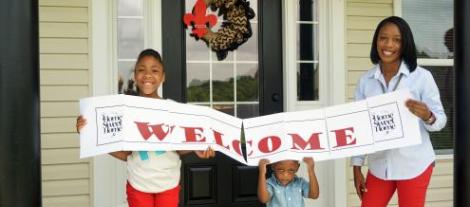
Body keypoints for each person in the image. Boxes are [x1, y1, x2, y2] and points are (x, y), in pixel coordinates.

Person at [76, 49, 215, 207]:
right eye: (141, 70)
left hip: (168, 184)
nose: (148, 75)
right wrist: (90, 134)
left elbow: (178, 147)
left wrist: (196, 147)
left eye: (154, 70)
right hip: (138, 185)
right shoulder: (126, 111)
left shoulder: (173, 110)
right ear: (135, 76)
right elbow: (126, 154)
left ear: (163, 77)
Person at [351, 16, 447, 207]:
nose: (388, 44)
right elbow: (359, 126)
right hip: (379, 166)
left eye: (397, 40)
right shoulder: (366, 81)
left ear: (406, 44)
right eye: (383, 38)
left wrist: (428, 115)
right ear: (376, 41)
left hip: (415, 165)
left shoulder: (421, 78)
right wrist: (356, 166)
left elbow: (440, 120)